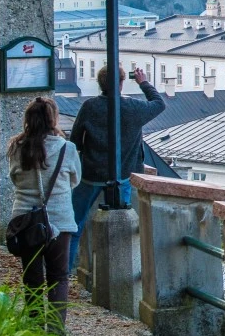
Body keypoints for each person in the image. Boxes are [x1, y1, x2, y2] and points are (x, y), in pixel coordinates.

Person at [67, 64, 167, 277]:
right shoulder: (133, 108)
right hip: (124, 175)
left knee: (73, 224)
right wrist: (143, 82)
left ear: (100, 84)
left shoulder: (89, 107)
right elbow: (159, 104)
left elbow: (75, 140)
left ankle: (63, 272)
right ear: (122, 83)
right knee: (127, 226)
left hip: (91, 174)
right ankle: (126, 273)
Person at [7, 96, 80, 334]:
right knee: (59, 277)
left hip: (26, 222)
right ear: (53, 119)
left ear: (27, 120)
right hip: (59, 221)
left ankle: (36, 331)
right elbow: (75, 180)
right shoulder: (67, 149)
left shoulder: (16, 148)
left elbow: (14, 178)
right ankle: (57, 334)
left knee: (33, 280)